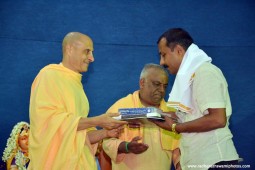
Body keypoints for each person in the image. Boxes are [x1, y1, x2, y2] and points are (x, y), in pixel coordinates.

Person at [28, 32, 127, 170]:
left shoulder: (76, 84)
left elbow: (80, 135)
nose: (92, 58)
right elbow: (50, 123)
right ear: (69, 49)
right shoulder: (49, 75)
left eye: (92, 52)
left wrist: (105, 133)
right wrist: (98, 120)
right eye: (87, 52)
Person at [151, 28, 239, 170]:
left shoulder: (205, 72)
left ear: (179, 51)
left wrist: (175, 127)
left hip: (215, 161)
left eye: (163, 55)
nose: (161, 62)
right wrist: (158, 115)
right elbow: (189, 116)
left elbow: (217, 119)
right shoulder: (190, 76)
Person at [102, 63, 181, 170]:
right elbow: (105, 142)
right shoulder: (121, 108)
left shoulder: (171, 113)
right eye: (157, 84)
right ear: (142, 83)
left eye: (165, 86)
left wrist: (179, 165)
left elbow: (178, 147)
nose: (162, 90)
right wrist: (126, 147)